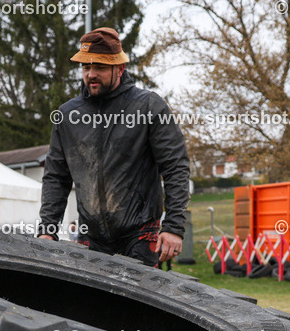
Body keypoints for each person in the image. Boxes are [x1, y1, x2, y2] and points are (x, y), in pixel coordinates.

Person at [38, 27, 190, 267]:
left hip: (140, 234)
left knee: (138, 304)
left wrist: (173, 226)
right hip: (90, 235)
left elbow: (176, 166)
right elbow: (56, 177)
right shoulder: (67, 115)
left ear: (120, 68)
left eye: (99, 67)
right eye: (86, 67)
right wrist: (47, 229)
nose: (91, 74)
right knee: (91, 305)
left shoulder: (148, 106)